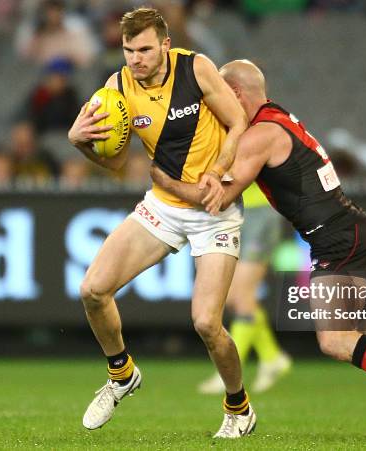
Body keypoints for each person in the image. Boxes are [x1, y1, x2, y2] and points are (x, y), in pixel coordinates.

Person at [151, 59, 366, 441]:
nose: (213, 105)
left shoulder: (258, 135)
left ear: (235, 94)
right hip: (358, 230)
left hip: (337, 239)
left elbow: (220, 198)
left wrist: (165, 179)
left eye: (217, 96)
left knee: (335, 340)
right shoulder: (280, 120)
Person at [67, 8, 256, 438]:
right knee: (92, 290)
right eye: (129, 50)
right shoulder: (117, 89)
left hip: (214, 211)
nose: (136, 59)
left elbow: (238, 121)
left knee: (207, 324)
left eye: (145, 49)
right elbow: (115, 163)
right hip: (164, 207)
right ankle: (122, 373)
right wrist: (81, 144)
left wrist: (220, 168)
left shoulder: (197, 68)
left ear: (165, 45)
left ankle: (239, 407)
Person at [198, 182, 292, 394]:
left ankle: (228, 370)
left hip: (261, 212)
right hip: (234, 213)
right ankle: (272, 357)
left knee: (242, 297)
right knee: (234, 297)